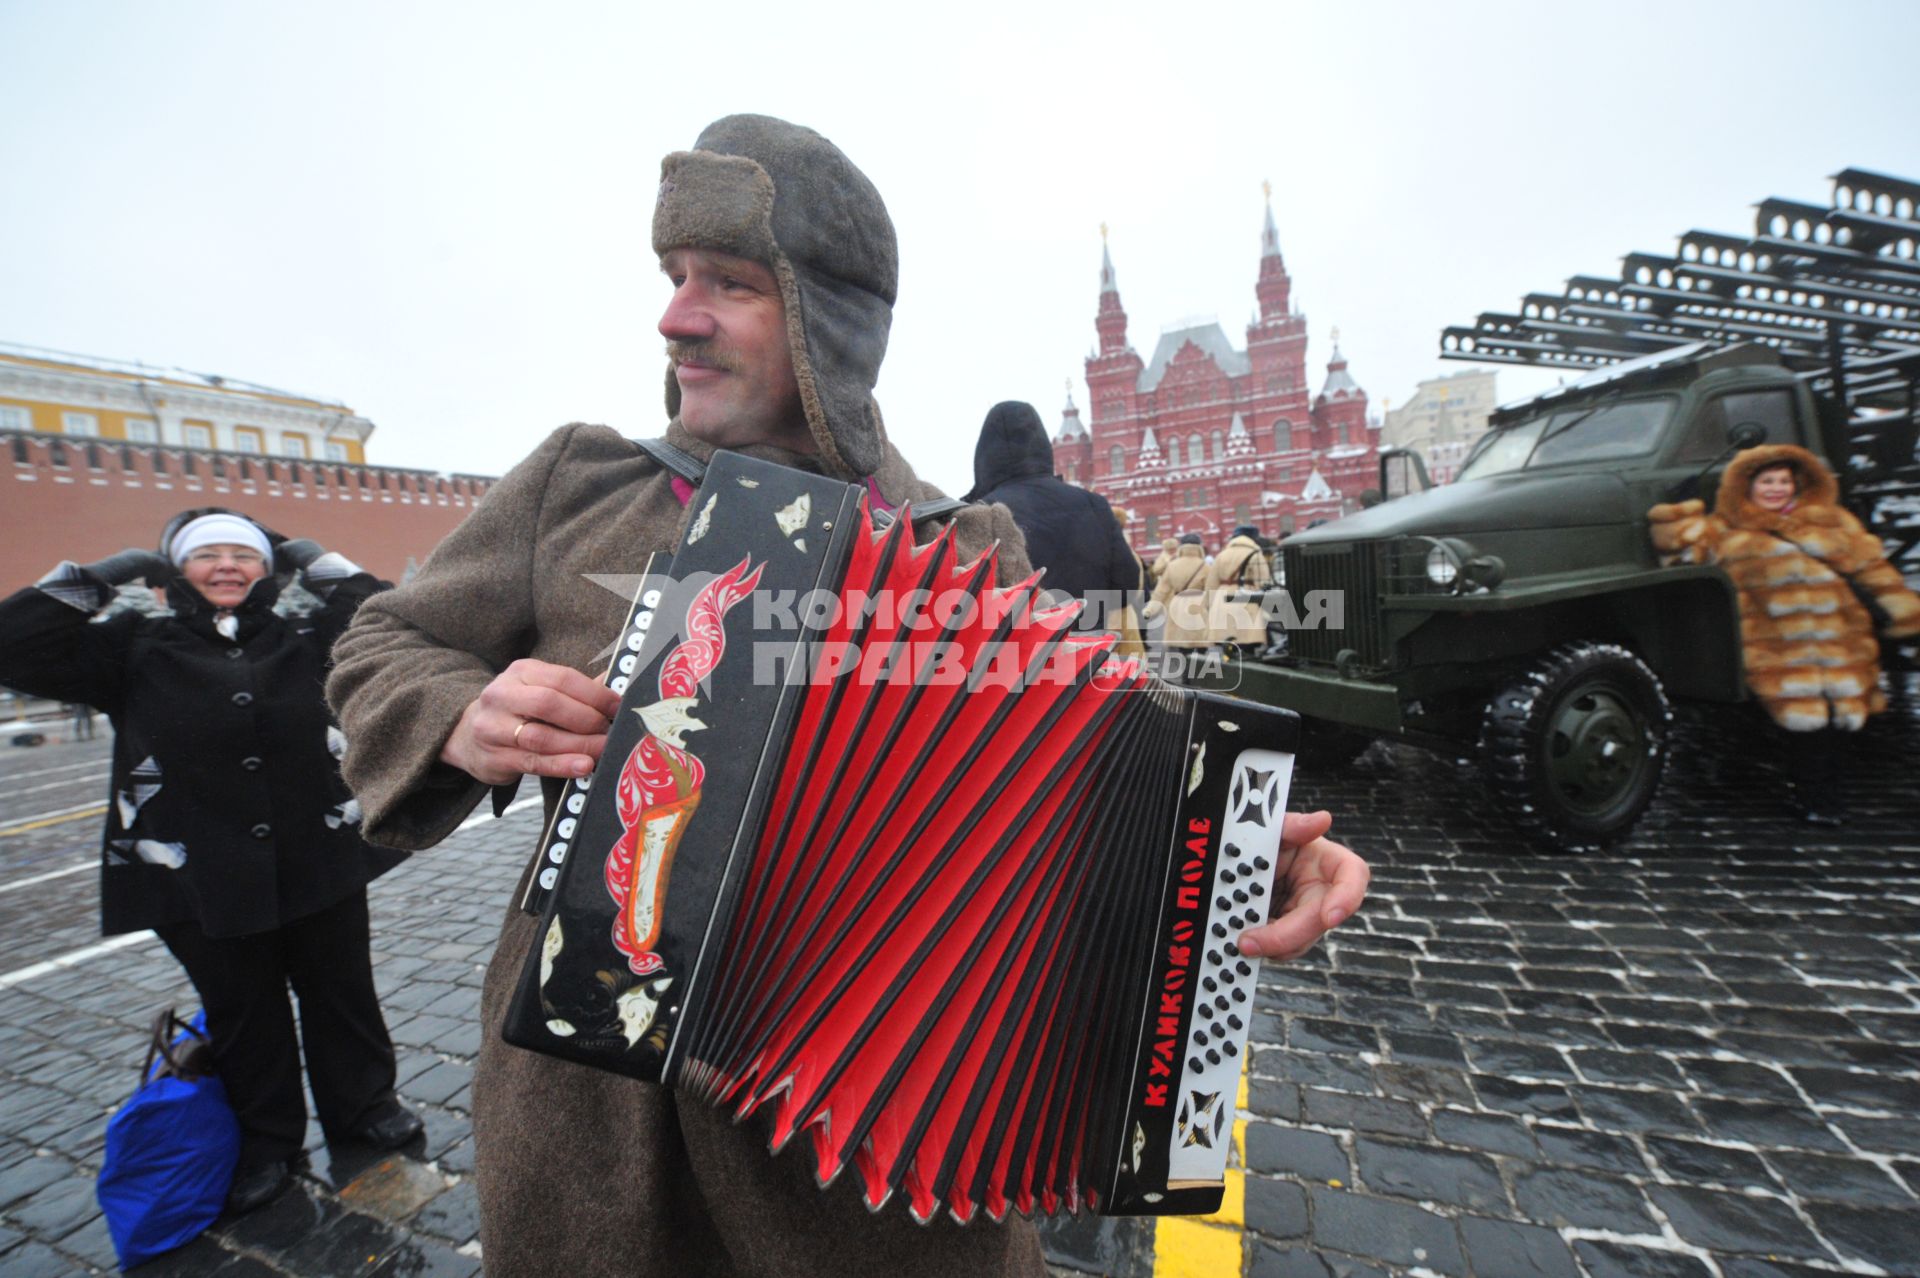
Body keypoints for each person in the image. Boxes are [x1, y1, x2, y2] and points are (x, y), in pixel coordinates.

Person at [326, 114, 1368, 1278]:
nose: (676, 315)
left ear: (829, 321)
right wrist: (459, 713)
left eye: (727, 281)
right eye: (674, 278)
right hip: (594, 1147)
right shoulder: (583, 484)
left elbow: (1085, 795)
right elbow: (383, 640)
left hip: (873, 1183)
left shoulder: (964, 543)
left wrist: (1240, 855)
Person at [0, 509, 421, 1215]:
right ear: (176, 571)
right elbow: (12, 642)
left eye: (244, 554)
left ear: (266, 570)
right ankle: (269, 1143)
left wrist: (311, 558)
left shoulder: (309, 638)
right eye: (206, 555)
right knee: (243, 1014)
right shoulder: (132, 646)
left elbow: (385, 614)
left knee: (342, 994)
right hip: (196, 876)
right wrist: (107, 574)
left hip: (318, 857)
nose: (226, 565)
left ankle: (365, 1108)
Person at [1648, 444, 1920, 822]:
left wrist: (1908, 619)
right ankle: (1816, 801)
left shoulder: (1832, 521)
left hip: (1842, 639)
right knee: (1806, 727)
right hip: (1781, 650)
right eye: (1767, 481)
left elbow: (1874, 573)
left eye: (1784, 481)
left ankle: (1825, 794)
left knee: (1843, 722)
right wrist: (1681, 514)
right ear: (1746, 486)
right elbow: (1681, 559)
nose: (1776, 489)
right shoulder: (1724, 531)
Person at [964, 400, 1142, 632]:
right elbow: (1126, 584)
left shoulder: (979, 512)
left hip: (1011, 660)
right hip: (1087, 656)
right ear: (1042, 446)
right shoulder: (1092, 504)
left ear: (985, 455)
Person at [1208, 523, 1276, 651]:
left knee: (1228, 643)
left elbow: (1211, 584)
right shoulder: (1255, 554)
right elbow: (1263, 582)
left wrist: (1211, 606)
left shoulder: (1221, 555)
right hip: (1246, 598)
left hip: (1222, 600)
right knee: (1246, 643)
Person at [1146, 532, 1213, 650]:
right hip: (1199, 605)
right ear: (1199, 548)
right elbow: (1212, 591)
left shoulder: (1172, 565)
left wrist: (1150, 609)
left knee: (1181, 644)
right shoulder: (1205, 566)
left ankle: (1186, 665)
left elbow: (1161, 591)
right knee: (1201, 642)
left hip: (1178, 604)